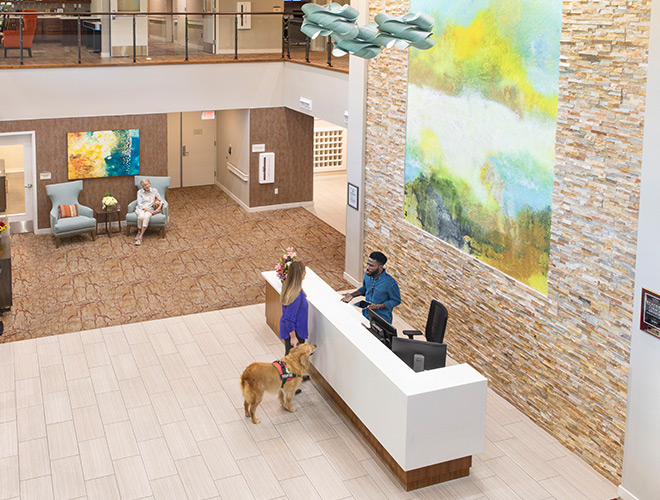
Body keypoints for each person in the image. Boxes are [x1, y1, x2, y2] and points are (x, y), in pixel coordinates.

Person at [341, 251, 401, 324]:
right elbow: (365, 288)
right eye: (367, 264)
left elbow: (396, 300)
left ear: (380, 267)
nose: (367, 268)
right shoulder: (368, 275)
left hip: (381, 320)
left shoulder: (390, 283)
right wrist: (352, 295)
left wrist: (378, 306)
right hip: (365, 316)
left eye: (371, 266)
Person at [279, 260, 310, 393]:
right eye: (305, 272)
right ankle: (286, 386)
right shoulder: (296, 295)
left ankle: (298, 376)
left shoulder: (290, 288)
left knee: (294, 357)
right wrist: (293, 337)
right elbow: (289, 317)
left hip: (295, 330)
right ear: (301, 274)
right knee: (290, 359)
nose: (306, 274)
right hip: (294, 331)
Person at [134, 178, 163, 246]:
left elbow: (161, 200)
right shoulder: (139, 192)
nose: (146, 186)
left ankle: (140, 236)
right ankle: (138, 231)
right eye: (144, 185)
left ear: (149, 184)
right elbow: (140, 205)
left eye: (147, 184)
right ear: (142, 187)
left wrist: (158, 208)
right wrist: (150, 211)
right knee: (141, 217)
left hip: (150, 208)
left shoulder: (154, 190)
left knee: (146, 217)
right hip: (141, 209)